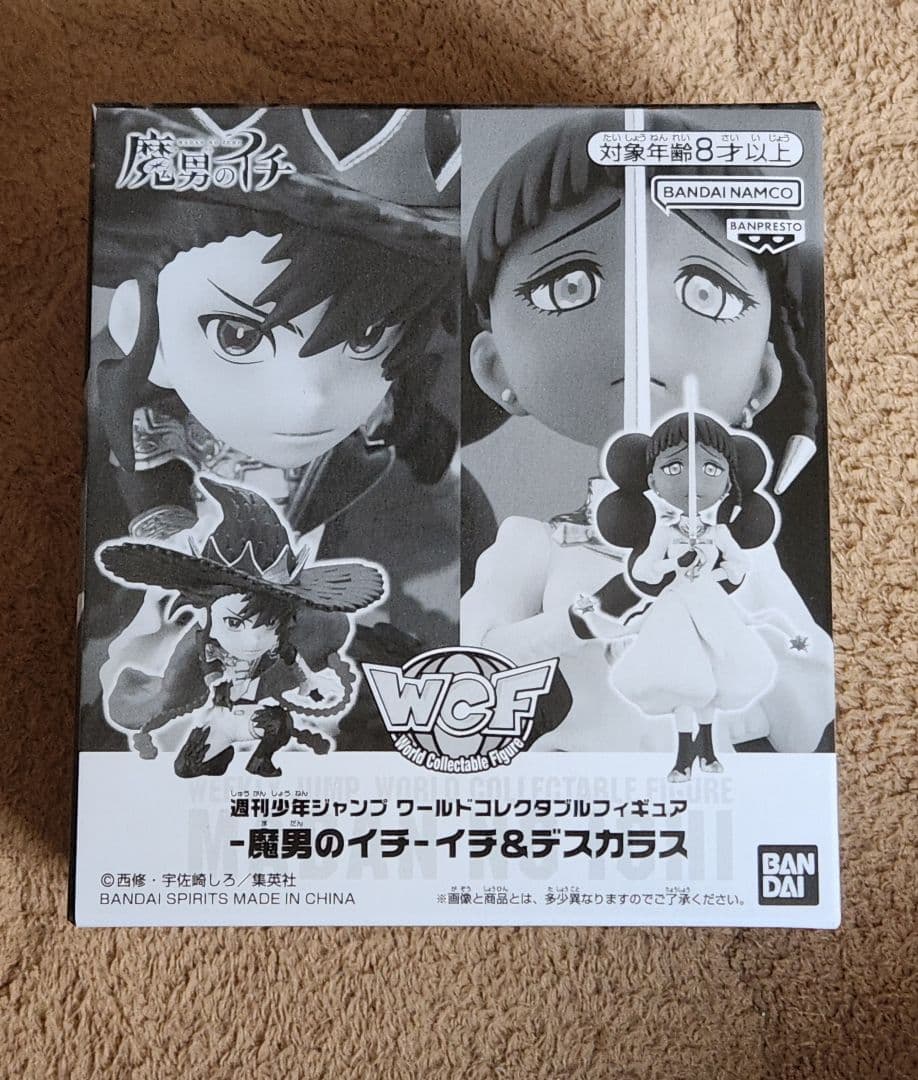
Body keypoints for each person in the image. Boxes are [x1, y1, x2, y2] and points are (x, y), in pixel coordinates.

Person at [461, 110, 834, 753]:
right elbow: (474, 671)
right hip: (568, 789)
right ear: (496, 369)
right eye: (568, 287)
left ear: (763, 379)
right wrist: (608, 604)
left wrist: (732, 589)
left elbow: (809, 692)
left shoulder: (746, 549)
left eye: (708, 293)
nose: (643, 332)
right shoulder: (532, 545)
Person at [97, 477, 386, 777]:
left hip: (252, 709)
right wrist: (215, 686)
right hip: (224, 714)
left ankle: (258, 761)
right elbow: (198, 672)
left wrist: (308, 682)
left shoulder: (279, 643)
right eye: (234, 623)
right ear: (206, 617)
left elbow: (293, 659)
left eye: (269, 624)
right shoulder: (205, 647)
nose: (253, 641)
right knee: (190, 764)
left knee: (277, 724)